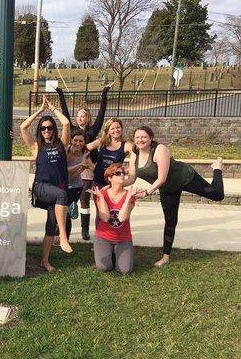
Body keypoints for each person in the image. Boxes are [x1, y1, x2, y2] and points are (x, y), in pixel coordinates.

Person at [125, 126, 224, 267]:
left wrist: (147, 192)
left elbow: (161, 178)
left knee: (218, 195)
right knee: (170, 221)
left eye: (144, 137)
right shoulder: (134, 155)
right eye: (137, 137)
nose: (140, 140)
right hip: (168, 189)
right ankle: (166, 256)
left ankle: (217, 168)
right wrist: (117, 183)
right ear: (134, 140)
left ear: (151, 138)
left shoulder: (160, 150)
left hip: (185, 177)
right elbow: (132, 178)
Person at [20, 96, 72, 273]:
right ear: (40, 131)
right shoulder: (36, 146)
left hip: (58, 189)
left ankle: (44, 261)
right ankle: (64, 237)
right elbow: (23, 127)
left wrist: (53, 109)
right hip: (41, 188)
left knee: (51, 225)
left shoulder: (61, 144)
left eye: (49, 127)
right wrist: (41, 111)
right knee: (62, 195)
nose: (47, 130)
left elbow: (66, 124)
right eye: (43, 128)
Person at [56, 83, 114, 240]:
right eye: (79, 115)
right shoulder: (73, 130)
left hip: (87, 167)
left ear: (88, 119)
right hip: (71, 166)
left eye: (85, 116)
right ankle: (62, 228)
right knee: (66, 198)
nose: (82, 118)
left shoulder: (93, 131)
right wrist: (60, 93)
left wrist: (104, 93)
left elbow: (102, 113)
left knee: (84, 199)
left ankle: (84, 229)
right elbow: (64, 112)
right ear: (77, 118)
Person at [88, 163, 140, 275]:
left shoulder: (130, 195)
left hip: (123, 238)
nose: (122, 175)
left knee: (125, 270)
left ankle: (122, 252)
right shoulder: (102, 194)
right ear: (110, 178)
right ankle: (112, 253)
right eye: (118, 173)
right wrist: (101, 197)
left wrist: (128, 199)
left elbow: (122, 218)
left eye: (123, 173)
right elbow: (105, 217)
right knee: (103, 267)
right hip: (104, 237)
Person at [65, 129, 95, 239]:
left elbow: (73, 176)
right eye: (75, 140)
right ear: (71, 140)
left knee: (66, 213)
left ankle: (65, 239)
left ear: (84, 143)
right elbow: (64, 171)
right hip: (63, 184)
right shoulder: (65, 150)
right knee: (60, 211)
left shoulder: (85, 155)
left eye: (81, 141)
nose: (78, 143)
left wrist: (84, 166)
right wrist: (80, 165)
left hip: (75, 186)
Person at [86, 118, 133, 188]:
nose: (116, 130)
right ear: (108, 131)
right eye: (112, 128)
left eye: (118, 127)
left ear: (122, 129)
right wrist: (91, 165)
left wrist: (124, 171)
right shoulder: (102, 142)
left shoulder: (127, 145)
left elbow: (139, 160)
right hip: (98, 182)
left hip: (114, 184)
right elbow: (84, 149)